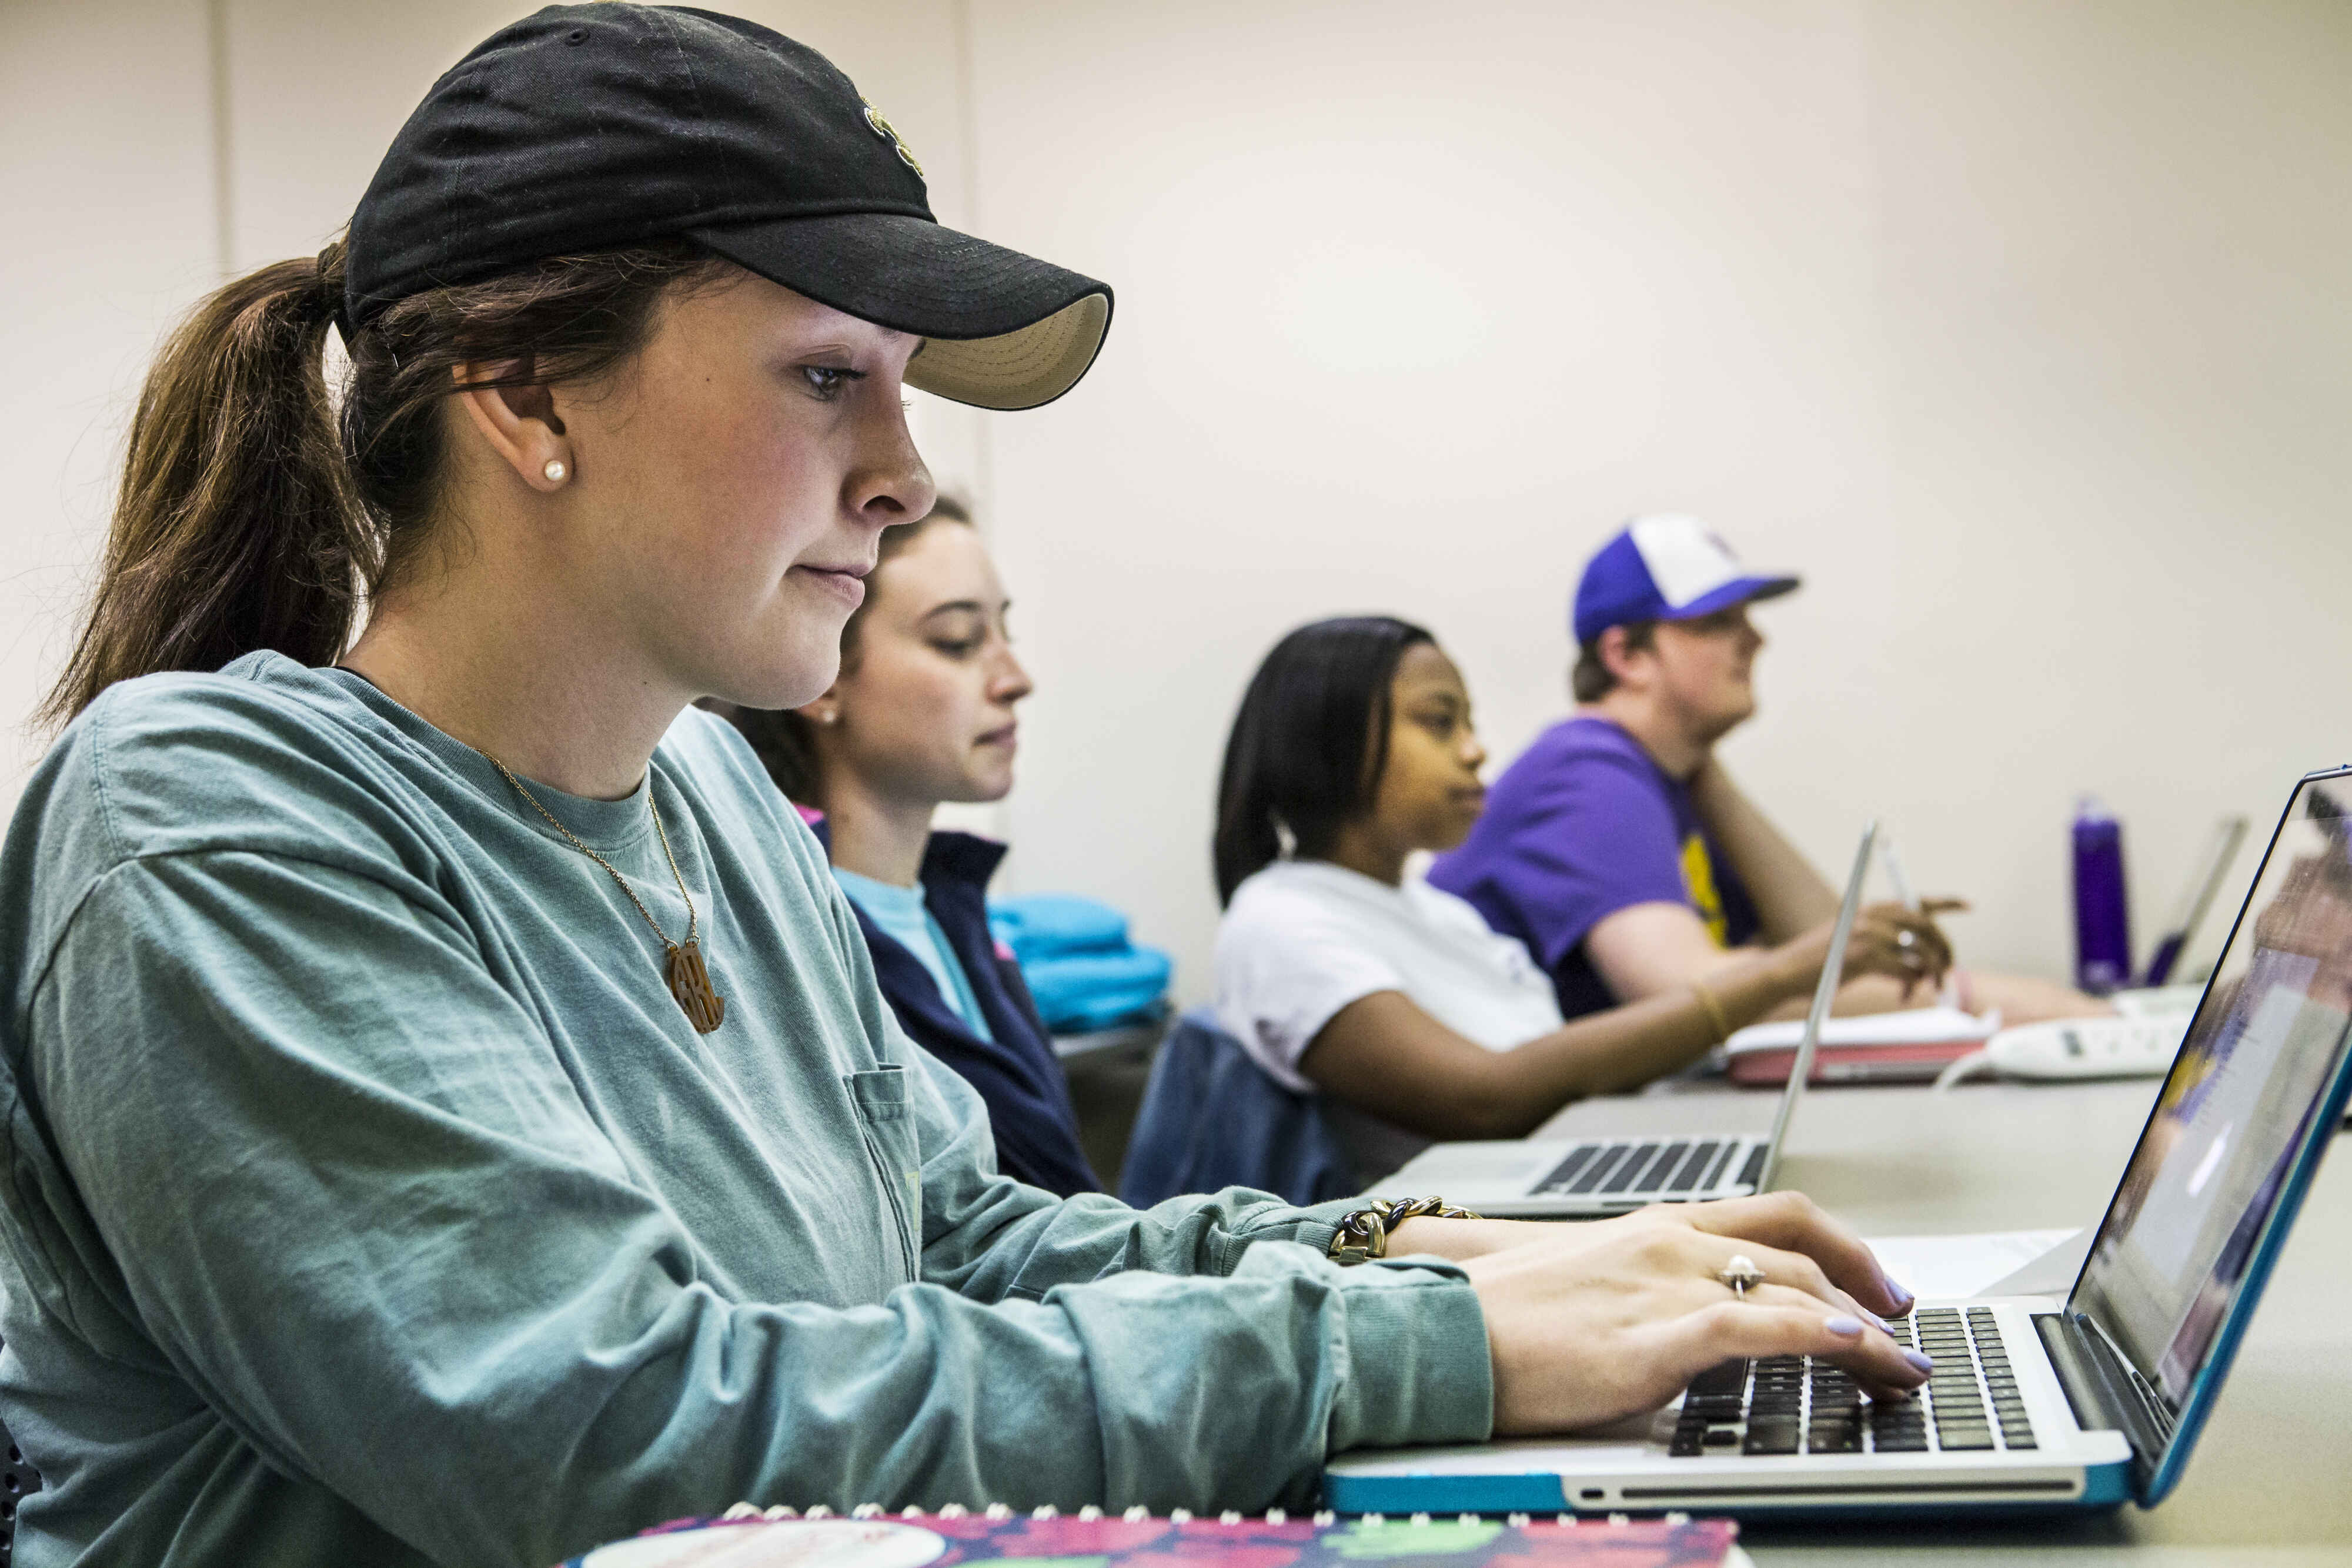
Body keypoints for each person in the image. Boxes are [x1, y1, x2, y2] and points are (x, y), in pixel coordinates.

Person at [0, 13, 1927, 1564]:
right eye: (830, 375)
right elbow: (612, 1432)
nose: (908, 471)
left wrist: (1434, 1252)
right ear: (525, 391)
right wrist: (1407, 1342)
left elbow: (964, 1240)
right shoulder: (207, 818)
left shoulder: (727, 815)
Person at [1212, 616, 1954, 1183]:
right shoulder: (1280, 920)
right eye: (1440, 723)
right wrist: (1783, 972)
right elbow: (1486, 1100)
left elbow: (1560, 1072)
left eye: (1469, 723)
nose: (1476, 750)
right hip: (1460, 1247)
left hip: (1539, 1194)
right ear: (1326, 740)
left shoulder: (1440, 916)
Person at [1430, 514, 2110, 1025]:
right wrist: (1979, 1001)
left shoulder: (1663, 778)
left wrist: (1701, 768)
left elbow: (1821, 943)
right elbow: (1685, 991)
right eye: (1716, 621)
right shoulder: (1584, 772)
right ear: (1626, 655)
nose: (1755, 638)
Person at [713, 499, 1100, 1197]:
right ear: (824, 675)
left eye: (1003, 630)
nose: (1015, 678)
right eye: (956, 641)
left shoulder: (958, 914)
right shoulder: (783, 932)